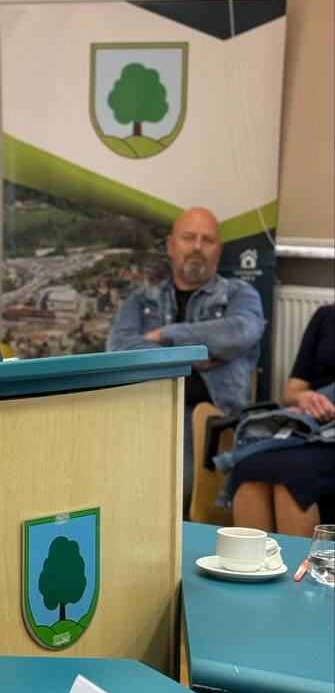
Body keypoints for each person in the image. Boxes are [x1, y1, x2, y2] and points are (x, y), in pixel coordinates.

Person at [106, 207, 265, 513]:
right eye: (189, 238)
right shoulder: (142, 299)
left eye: (207, 240)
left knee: (170, 488)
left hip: (209, 421)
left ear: (218, 250)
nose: (197, 247)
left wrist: (163, 335)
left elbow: (239, 332)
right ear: (171, 245)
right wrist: (193, 356)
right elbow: (117, 347)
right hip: (144, 413)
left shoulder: (240, 295)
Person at [231, 304, 334, 536]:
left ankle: (299, 560)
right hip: (310, 429)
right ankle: (253, 559)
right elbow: (290, 392)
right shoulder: (326, 316)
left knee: (295, 477)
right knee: (250, 467)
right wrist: (304, 398)